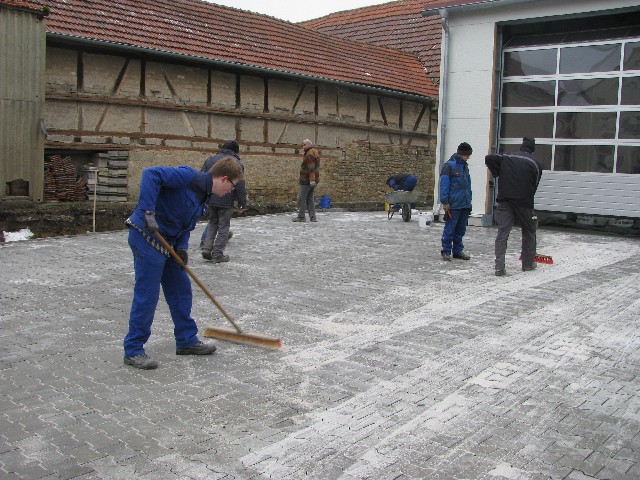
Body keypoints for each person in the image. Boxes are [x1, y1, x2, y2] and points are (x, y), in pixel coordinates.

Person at [123, 157, 244, 370]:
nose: (230, 192)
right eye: (232, 186)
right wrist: (148, 212)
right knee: (148, 294)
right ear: (224, 179)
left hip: (169, 243)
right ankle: (133, 349)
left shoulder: (205, 197)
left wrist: (182, 247)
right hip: (146, 236)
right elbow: (151, 173)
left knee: (181, 289)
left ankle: (186, 340)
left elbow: (185, 223)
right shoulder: (188, 176)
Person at [485, 137, 542, 276]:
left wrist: (497, 172)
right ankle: (528, 264)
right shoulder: (535, 163)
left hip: (505, 201)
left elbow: (489, 158)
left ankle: (499, 267)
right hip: (524, 203)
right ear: (532, 149)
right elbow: (534, 185)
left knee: (502, 233)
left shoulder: (507, 156)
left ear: (522, 146)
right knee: (529, 231)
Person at [200, 140, 247, 263]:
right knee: (224, 227)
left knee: (212, 222)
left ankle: (207, 247)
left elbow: (202, 176)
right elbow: (240, 184)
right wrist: (242, 203)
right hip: (226, 199)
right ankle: (217, 254)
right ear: (236, 151)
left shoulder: (211, 159)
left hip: (211, 197)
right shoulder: (236, 163)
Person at [439, 142, 473, 261]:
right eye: (467, 155)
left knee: (461, 229)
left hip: (464, 203)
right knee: (450, 228)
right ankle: (446, 251)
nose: (468, 157)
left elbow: (467, 186)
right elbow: (444, 185)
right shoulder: (449, 166)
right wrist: (445, 202)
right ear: (462, 154)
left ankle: (458, 251)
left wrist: (469, 201)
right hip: (453, 204)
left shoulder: (465, 166)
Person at [293, 138, 320, 222]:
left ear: (309, 145)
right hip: (313, 179)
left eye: (304, 145)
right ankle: (313, 217)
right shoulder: (314, 152)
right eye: (303, 145)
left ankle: (301, 216)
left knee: (302, 198)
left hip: (306, 180)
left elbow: (311, 167)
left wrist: (311, 179)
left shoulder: (309, 154)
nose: (303, 146)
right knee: (309, 198)